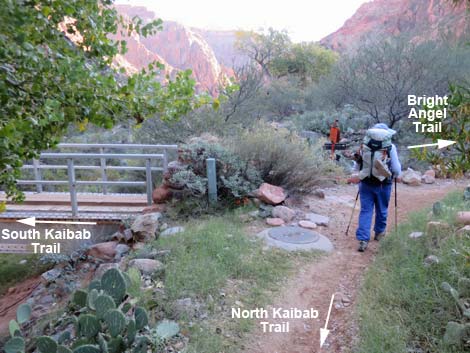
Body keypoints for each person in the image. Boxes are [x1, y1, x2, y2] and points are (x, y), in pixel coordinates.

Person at [355, 123, 401, 252]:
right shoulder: (390, 147)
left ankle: (363, 239)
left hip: (365, 182)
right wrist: (396, 175)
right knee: (382, 209)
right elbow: (396, 169)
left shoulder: (365, 145)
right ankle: (379, 234)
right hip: (383, 183)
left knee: (365, 210)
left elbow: (358, 165)